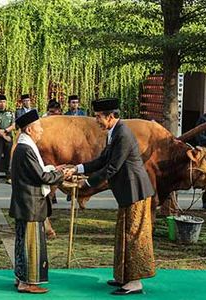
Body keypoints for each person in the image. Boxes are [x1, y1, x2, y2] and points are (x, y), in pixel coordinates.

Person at [65, 98, 155, 295]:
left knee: (134, 236)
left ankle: (135, 282)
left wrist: (87, 183)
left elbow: (112, 167)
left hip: (136, 192)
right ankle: (123, 276)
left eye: (99, 117)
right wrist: (77, 168)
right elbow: (102, 160)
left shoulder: (122, 135)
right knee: (123, 234)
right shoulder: (114, 133)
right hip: (126, 192)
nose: (96, 120)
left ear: (111, 116)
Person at [9, 110, 66, 294]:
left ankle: (21, 278)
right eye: (39, 127)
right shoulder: (26, 150)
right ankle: (28, 282)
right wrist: (61, 174)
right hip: (30, 204)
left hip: (26, 203)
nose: (41, 131)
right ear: (29, 130)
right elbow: (42, 176)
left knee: (22, 242)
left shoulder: (23, 147)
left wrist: (54, 170)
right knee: (31, 245)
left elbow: (36, 172)